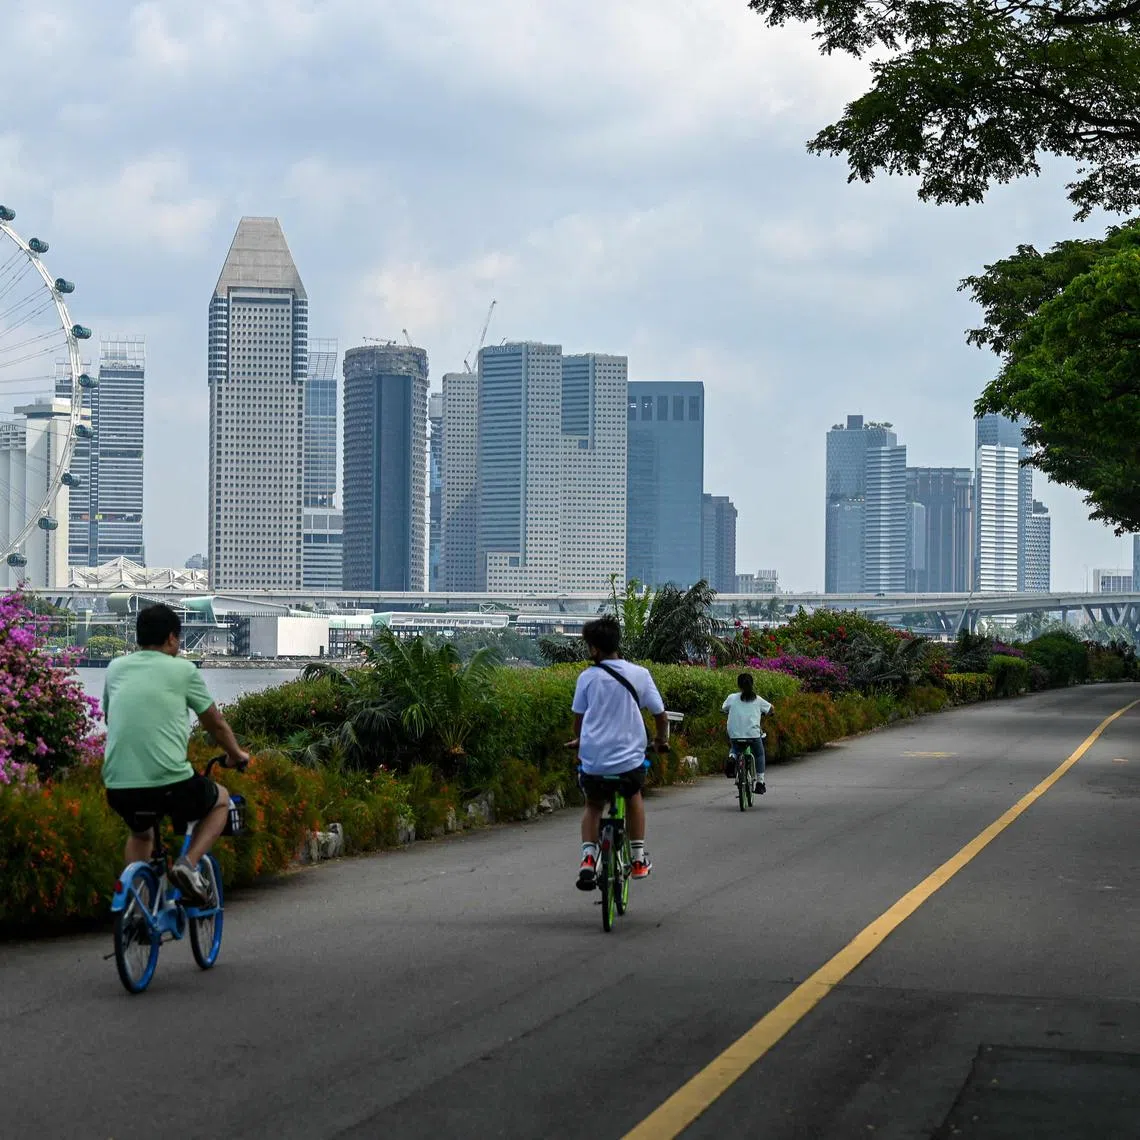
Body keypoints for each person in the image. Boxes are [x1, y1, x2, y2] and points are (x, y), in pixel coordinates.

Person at [102, 604, 249, 904]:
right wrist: (237, 754)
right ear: (171, 638)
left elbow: (110, 717)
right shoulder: (183, 670)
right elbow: (215, 724)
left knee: (141, 834)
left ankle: (137, 907)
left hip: (118, 785)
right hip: (168, 784)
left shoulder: (116, 668)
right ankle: (187, 865)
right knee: (220, 800)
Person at [566, 615, 669, 890]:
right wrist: (660, 740)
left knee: (594, 805)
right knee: (633, 795)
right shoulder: (639, 674)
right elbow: (661, 716)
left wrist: (579, 740)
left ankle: (588, 858)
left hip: (594, 760)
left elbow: (579, 719)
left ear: (594, 649)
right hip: (628, 761)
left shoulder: (587, 677)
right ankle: (637, 858)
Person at [722, 672, 773, 795]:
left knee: (735, 748)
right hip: (753, 735)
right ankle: (760, 783)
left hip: (735, 735)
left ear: (739, 685)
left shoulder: (732, 698)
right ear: (752, 684)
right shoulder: (758, 699)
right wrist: (769, 713)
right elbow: (771, 709)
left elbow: (723, 708)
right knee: (760, 754)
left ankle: (732, 758)